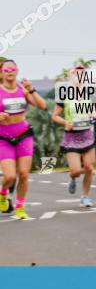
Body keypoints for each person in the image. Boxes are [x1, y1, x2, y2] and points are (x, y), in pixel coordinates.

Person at [0, 59, 47, 219]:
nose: (10, 71)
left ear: (17, 71)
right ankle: (3, 194)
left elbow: (42, 106)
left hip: (23, 136)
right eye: (6, 69)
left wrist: (31, 89)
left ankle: (20, 206)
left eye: (12, 69)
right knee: (10, 176)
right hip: (3, 138)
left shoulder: (23, 90)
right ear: (1, 73)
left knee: (24, 174)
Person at [51, 64, 96, 207]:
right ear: (71, 77)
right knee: (76, 171)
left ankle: (85, 196)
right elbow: (55, 116)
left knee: (89, 168)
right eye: (76, 74)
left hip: (87, 135)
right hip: (71, 138)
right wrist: (65, 122)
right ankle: (72, 178)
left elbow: (92, 111)